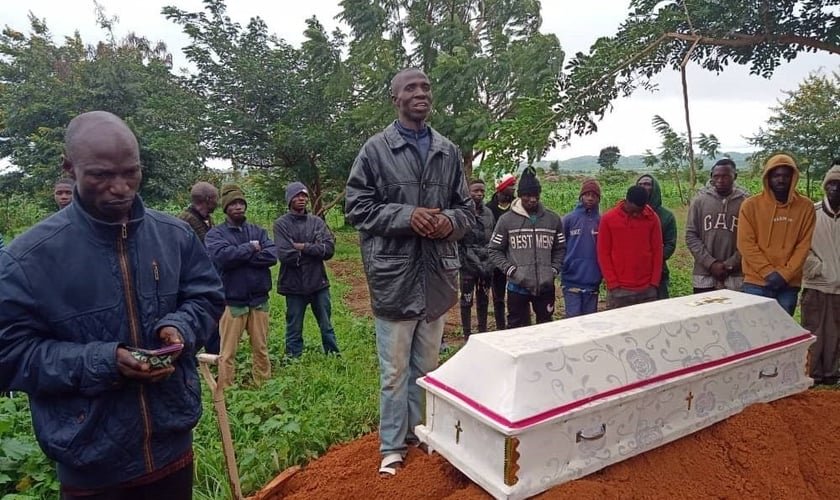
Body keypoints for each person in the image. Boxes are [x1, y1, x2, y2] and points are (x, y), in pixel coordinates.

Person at [0, 110, 225, 498]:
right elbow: (11, 355)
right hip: (90, 462)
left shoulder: (174, 237)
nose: (120, 188)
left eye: (131, 173)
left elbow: (205, 298)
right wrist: (105, 361)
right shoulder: (28, 259)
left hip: (172, 447)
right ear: (69, 168)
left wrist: (181, 328)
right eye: (101, 175)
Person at [345, 67, 473, 477]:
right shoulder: (375, 150)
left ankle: (422, 435)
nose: (421, 93)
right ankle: (392, 446)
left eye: (426, 87)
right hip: (394, 280)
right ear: (395, 99)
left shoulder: (447, 151)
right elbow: (356, 208)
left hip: (436, 277)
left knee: (429, 368)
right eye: (411, 88)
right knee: (394, 372)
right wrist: (407, 216)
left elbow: (468, 211)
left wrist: (446, 223)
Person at [205, 184, 277, 390]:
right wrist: (251, 248)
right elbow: (222, 258)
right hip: (232, 301)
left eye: (241, 203)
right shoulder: (215, 235)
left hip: (259, 299)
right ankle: (226, 389)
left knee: (261, 348)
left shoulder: (258, 230)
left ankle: (263, 385)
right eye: (233, 204)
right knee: (227, 351)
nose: (238, 207)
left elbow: (272, 255)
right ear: (225, 208)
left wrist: (241, 256)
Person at [737, 153, 816, 316]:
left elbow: (803, 245)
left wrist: (784, 274)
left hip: (788, 284)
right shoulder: (750, 205)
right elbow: (745, 243)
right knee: (755, 331)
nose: (781, 180)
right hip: (755, 282)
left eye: (786, 175)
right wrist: (768, 272)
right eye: (776, 175)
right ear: (768, 177)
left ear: (793, 177)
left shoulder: (806, 207)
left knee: (783, 335)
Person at [487, 168, 565, 328]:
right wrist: (512, 271)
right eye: (527, 196)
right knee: (517, 332)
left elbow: (560, 248)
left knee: (546, 329)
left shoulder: (553, 219)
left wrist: (554, 270)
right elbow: (494, 250)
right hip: (517, 287)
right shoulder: (506, 220)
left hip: (545, 287)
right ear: (520, 195)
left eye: (535, 195)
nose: (532, 200)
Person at [273, 181, 340, 358]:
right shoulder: (281, 224)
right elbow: (285, 254)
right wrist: (314, 249)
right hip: (293, 285)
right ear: (289, 199)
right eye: (297, 195)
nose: (301, 199)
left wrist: (302, 247)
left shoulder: (316, 222)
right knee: (294, 326)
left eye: (304, 195)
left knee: (326, 325)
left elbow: (328, 250)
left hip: (319, 283)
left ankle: (333, 355)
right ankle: (293, 359)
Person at [801, 162, 840, 385]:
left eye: (839, 185)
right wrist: (818, 268)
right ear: (825, 187)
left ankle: (831, 374)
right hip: (815, 284)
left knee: (835, 333)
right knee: (813, 330)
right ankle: (812, 373)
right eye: (831, 184)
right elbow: (799, 246)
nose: (835, 189)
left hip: (839, 288)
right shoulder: (811, 213)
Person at [685, 159, 748, 293]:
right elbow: (691, 235)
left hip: (735, 275)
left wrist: (730, 264)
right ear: (711, 177)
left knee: (734, 313)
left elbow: (751, 239)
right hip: (704, 274)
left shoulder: (746, 203)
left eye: (725, 176)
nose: (720, 180)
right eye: (716, 176)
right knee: (705, 312)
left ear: (734, 176)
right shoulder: (699, 202)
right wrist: (711, 263)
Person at [598, 185, 663, 309]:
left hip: (647, 289)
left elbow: (657, 251)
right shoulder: (608, 219)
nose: (637, 213)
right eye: (634, 209)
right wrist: (613, 283)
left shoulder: (652, 218)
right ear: (627, 201)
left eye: (641, 209)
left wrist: (654, 283)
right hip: (619, 289)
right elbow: (603, 253)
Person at [458, 178, 495, 339]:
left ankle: (482, 333)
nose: (479, 194)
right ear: (468, 192)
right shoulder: (462, 213)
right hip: (467, 265)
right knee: (467, 300)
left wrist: (489, 261)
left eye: (482, 191)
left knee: (484, 300)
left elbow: (492, 239)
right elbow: (459, 242)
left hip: (486, 264)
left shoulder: (489, 213)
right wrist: (468, 261)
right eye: (475, 191)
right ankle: (467, 335)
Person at [561, 178, 602, 317]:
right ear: (581, 196)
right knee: (573, 322)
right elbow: (559, 247)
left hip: (592, 280)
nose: (590, 198)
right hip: (571, 279)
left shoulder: (601, 222)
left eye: (594, 195)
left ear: (598, 198)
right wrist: (565, 266)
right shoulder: (569, 220)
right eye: (587, 194)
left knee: (590, 322)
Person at [636, 174, 676, 298]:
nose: (643, 187)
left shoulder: (666, 216)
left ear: (654, 188)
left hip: (658, 272)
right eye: (640, 184)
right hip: (634, 273)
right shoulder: (630, 213)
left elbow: (670, 244)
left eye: (647, 184)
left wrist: (653, 260)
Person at [486, 173, 516, 330]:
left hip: (515, 258)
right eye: (511, 186)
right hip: (496, 260)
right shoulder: (488, 209)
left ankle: (514, 324)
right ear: (502, 189)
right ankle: (500, 327)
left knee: (515, 294)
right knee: (498, 297)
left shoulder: (517, 208)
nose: (514, 188)